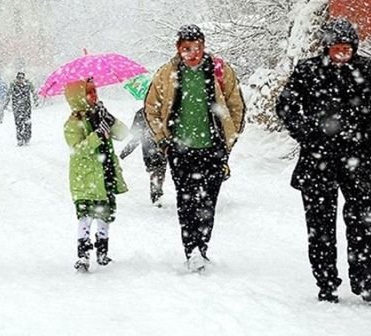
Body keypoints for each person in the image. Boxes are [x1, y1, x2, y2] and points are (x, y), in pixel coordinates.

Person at [275, 18, 371, 303]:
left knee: (364, 220)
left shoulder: (369, 69)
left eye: (347, 48)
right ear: (326, 48)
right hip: (317, 160)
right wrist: (307, 133)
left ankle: (363, 280)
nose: (342, 53)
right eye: (336, 48)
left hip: (357, 158)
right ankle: (326, 282)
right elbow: (286, 105)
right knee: (320, 226)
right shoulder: (308, 70)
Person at [144, 24, 245, 272]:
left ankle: (203, 245)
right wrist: (163, 139)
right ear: (178, 49)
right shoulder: (167, 73)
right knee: (186, 200)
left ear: (204, 46)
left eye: (198, 47)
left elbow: (236, 104)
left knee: (209, 200)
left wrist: (229, 137)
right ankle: (192, 249)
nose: (193, 53)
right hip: (180, 149)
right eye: (187, 48)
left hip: (212, 147)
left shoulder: (220, 71)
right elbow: (151, 108)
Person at [63, 78, 129, 272]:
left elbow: (123, 133)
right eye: (88, 92)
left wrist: (109, 119)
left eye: (95, 91)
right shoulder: (73, 124)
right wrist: (97, 136)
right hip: (86, 178)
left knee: (105, 215)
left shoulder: (100, 116)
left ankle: (102, 252)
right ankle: (83, 255)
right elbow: (77, 149)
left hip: (105, 173)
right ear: (78, 97)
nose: (94, 95)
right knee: (85, 216)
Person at [120, 107, 167, 207]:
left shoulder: (141, 113)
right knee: (159, 170)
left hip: (149, 149)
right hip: (160, 147)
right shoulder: (164, 110)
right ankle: (156, 192)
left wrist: (126, 152)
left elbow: (136, 137)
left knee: (155, 170)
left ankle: (156, 192)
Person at [5, 72, 37, 146]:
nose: (20, 80)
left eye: (22, 78)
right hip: (16, 107)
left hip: (26, 107)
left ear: (24, 78)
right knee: (18, 123)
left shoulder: (28, 84)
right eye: (19, 78)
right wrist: (6, 104)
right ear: (16, 78)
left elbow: (34, 92)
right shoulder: (13, 85)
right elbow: (8, 94)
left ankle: (27, 138)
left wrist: (36, 100)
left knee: (27, 123)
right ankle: (20, 139)